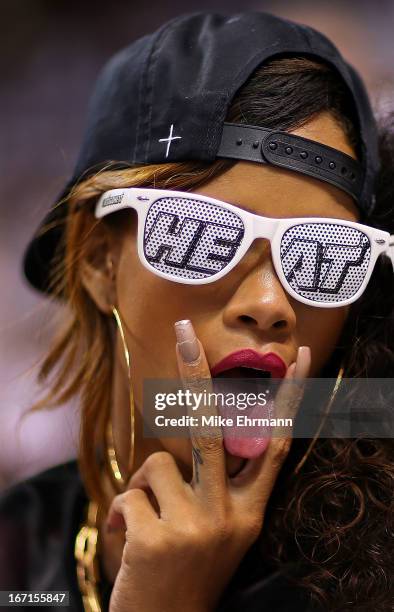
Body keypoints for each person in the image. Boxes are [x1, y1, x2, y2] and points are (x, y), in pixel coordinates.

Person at [1, 12, 393, 612]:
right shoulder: (14, 553)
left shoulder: (365, 576)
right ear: (99, 262)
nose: (269, 306)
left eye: (324, 256)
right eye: (198, 236)